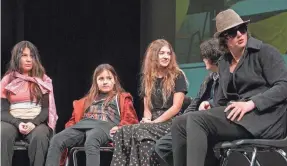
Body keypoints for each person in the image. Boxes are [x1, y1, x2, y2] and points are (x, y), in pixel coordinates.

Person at [171, 9, 287, 166]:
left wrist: (251, 103)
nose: (239, 34)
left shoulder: (264, 52)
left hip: (265, 118)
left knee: (197, 120)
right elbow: (224, 100)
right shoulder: (224, 63)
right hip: (238, 117)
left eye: (242, 29)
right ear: (223, 40)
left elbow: (284, 85)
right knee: (179, 123)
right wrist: (210, 105)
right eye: (232, 32)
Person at [110, 39, 188, 166]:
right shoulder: (147, 78)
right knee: (121, 133)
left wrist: (153, 123)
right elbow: (147, 110)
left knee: (140, 132)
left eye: (168, 53)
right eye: (162, 53)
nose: (166, 56)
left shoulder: (178, 76)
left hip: (171, 123)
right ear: (153, 55)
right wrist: (147, 120)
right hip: (152, 124)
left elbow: (176, 107)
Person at [45, 64, 138, 166]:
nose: (105, 81)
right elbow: (73, 120)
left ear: (114, 80)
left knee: (92, 139)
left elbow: (131, 119)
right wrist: (70, 130)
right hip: (83, 126)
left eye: (109, 78)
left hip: (105, 126)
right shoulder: (86, 100)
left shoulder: (121, 98)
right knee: (57, 139)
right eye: (101, 79)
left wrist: (120, 128)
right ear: (96, 82)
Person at [154, 38, 222, 166]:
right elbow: (195, 103)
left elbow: (224, 100)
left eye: (205, 57)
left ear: (212, 57)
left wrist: (210, 104)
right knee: (162, 147)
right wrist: (181, 121)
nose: (203, 60)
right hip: (193, 123)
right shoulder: (209, 78)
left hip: (211, 124)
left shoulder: (226, 77)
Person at [1, 41, 58, 166]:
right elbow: (3, 111)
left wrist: (33, 123)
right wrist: (18, 123)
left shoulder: (43, 79)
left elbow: (46, 110)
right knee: (2, 132)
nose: (29, 60)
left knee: (41, 136)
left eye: (31, 56)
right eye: (24, 55)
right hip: (13, 121)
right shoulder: (7, 79)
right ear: (16, 58)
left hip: (36, 122)